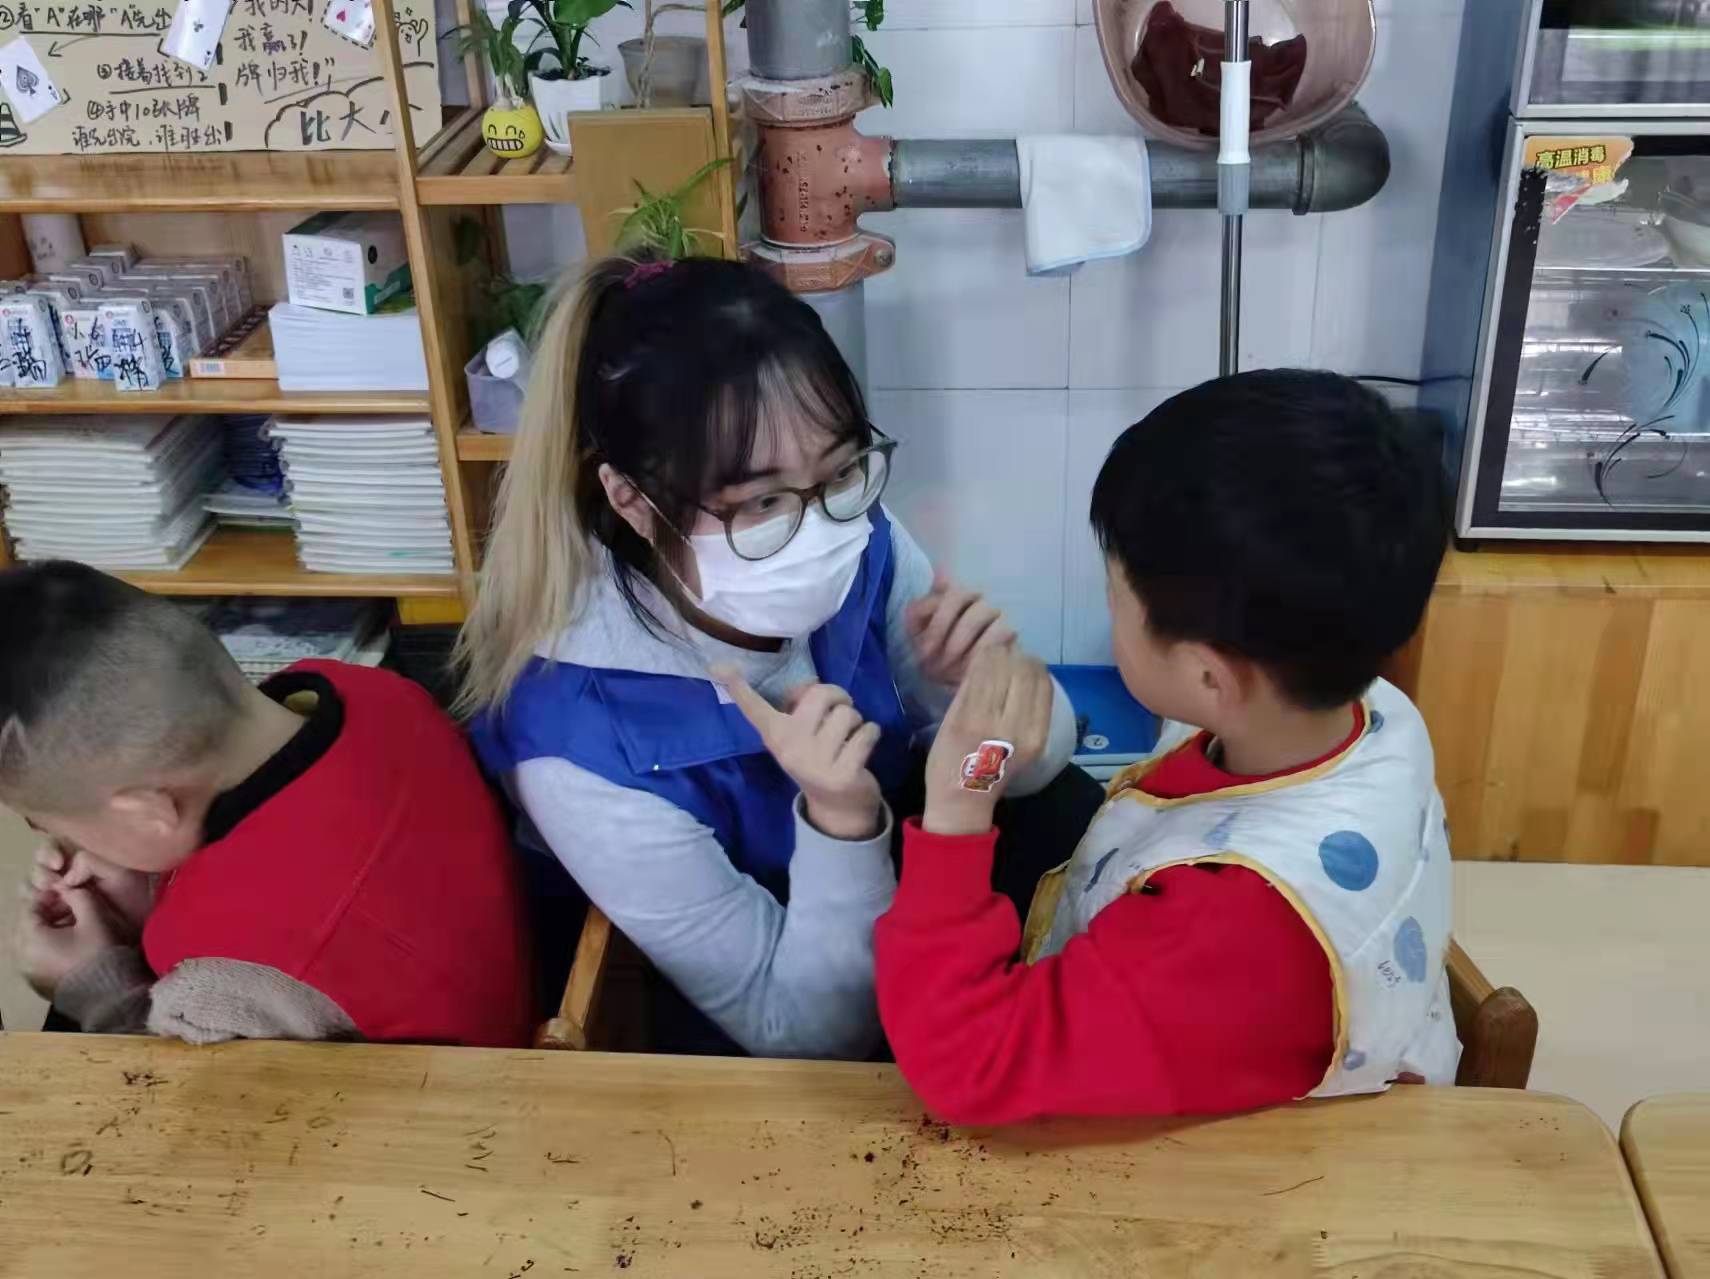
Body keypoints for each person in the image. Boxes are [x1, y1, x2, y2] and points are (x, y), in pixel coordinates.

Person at [458, 255, 1084, 1061]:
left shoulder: (853, 531)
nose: (821, 528)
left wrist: (986, 704)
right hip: (768, 1009)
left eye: (842, 470)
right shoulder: (577, 740)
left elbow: (1024, 771)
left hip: (892, 881)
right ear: (632, 501)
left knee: (1068, 818)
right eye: (760, 501)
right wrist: (841, 818)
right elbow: (815, 1034)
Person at [875, 370, 1460, 1123]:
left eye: (1115, 596)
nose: (1108, 609)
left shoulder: (1232, 927)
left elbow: (967, 1066)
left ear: (1210, 677)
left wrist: (961, 801)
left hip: (1265, 1162)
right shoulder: (1368, 705)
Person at [2, 562, 534, 1047]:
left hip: (450, 1099)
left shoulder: (218, 981)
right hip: (514, 975)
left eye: (44, 822)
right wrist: (153, 886)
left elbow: (188, 1103)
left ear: (148, 814)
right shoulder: (372, 691)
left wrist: (96, 988)